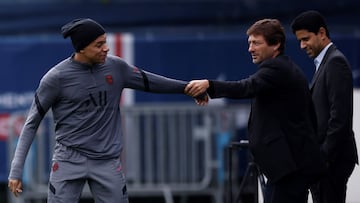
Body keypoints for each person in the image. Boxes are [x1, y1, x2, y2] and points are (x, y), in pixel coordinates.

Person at [7, 18, 205, 203]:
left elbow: (151, 82)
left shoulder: (117, 68)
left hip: (107, 162)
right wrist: (16, 170)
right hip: (68, 160)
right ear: (82, 49)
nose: (106, 48)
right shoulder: (56, 78)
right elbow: (31, 123)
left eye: (105, 42)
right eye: (99, 44)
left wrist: (187, 89)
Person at [185, 19, 325, 203]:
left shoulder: (276, 69)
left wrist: (209, 85)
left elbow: (245, 87)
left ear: (276, 45)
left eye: (256, 43)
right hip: (289, 169)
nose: (250, 48)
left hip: (288, 170)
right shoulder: (281, 68)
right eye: (249, 43)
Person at [291, 10, 358, 203]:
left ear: (321, 33)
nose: (302, 46)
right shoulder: (326, 62)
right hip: (327, 161)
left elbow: (340, 118)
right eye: (299, 41)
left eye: (306, 39)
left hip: (332, 162)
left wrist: (323, 157)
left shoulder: (335, 62)